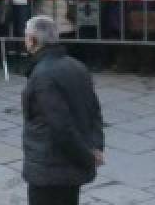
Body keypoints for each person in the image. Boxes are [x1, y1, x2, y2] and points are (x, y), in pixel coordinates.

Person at [21, 15, 105, 205]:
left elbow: (61, 126)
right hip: (70, 167)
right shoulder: (77, 66)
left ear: (33, 40)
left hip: (49, 166)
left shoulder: (42, 75)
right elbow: (95, 112)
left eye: (26, 37)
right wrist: (95, 147)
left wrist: (87, 156)